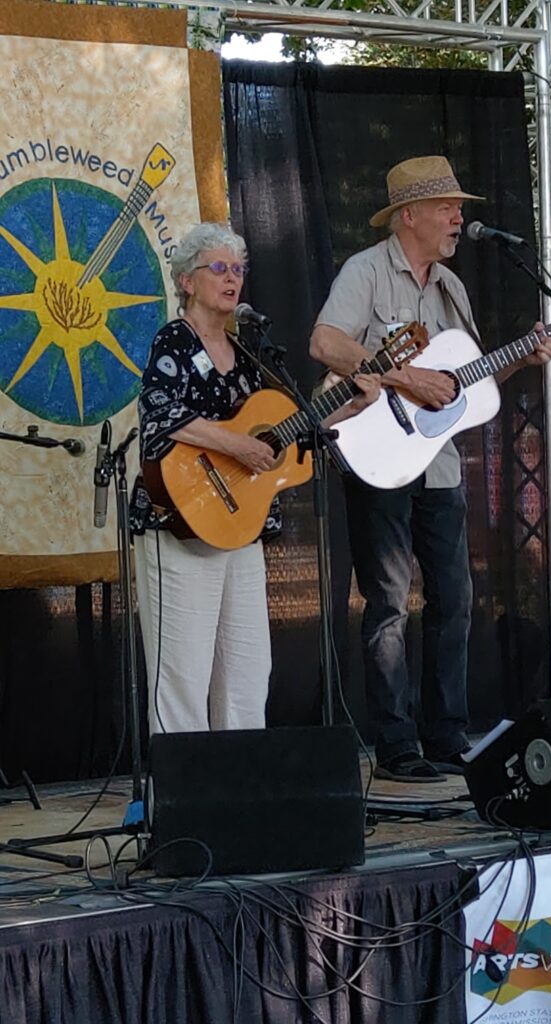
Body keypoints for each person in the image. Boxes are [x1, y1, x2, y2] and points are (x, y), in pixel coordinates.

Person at [310, 156, 551, 783]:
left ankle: (446, 736)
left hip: (437, 463)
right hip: (374, 452)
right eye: (448, 207)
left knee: (456, 598)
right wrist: (403, 375)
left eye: (460, 207)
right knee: (390, 601)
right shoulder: (365, 270)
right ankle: (396, 744)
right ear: (408, 216)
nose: (459, 217)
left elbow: (462, 381)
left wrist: (524, 357)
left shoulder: (451, 287)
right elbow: (326, 343)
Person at [131, 222, 379, 735]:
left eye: (238, 269)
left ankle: (239, 794)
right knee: (183, 672)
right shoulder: (173, 340)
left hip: (239, 529)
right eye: (218, 268)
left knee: (247, 671)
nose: (232, 278)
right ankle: (185, 799)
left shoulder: (247, 356)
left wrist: (348, 405)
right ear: (187, 281)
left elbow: (283, 436)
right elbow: (159, 413)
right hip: (178, 520)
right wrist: (235, 444)